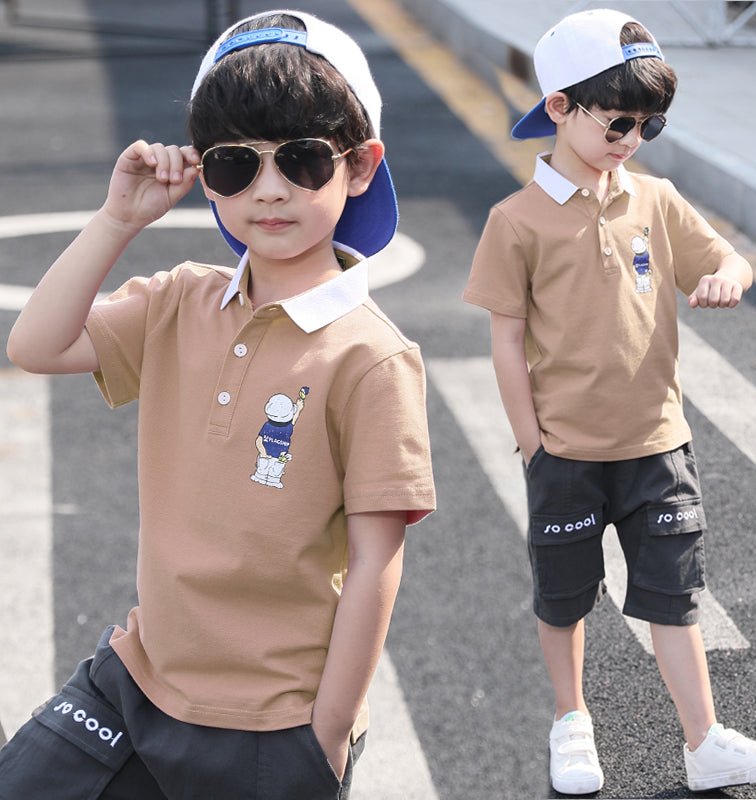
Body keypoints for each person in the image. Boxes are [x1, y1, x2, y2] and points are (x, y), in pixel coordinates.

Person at [2, 9, 435, 799]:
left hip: (273, 719)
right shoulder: (180, 301)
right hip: (138, 678)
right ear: (204, 174)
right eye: (235, 164)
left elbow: (377, 559)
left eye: (303, 158)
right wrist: (119, 220)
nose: (268, 190)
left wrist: (326, 737)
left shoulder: (371, 357)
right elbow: (35, 345)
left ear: (360, 165)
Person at [463, 8, 756, 796]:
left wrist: (728, 279)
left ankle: (704, 742)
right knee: (564, 597)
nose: (631, 138)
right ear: (558, 107)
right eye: (617, 120)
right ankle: (571, 720)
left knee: (674, 596)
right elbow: (507, 341)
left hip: (658, 445)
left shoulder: (655, 198)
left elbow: (727, 260)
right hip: (566, 453)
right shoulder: (515, 222)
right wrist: (533, 444)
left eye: (649, 124)